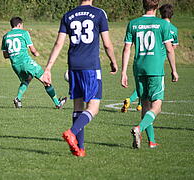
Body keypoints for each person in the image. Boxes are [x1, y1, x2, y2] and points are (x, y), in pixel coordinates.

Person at [42, 0, 118, 156]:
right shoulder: (99, 13)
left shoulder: (68, 15)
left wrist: (48, 67)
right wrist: (113, 61)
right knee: (94, 107)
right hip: (91, 66)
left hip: (73, 65)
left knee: (78, 106)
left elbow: (58, 43)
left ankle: (80, 149)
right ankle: (72, 132)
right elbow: (107, 44)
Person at [121, 0, 178, 149]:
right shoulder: (163, 24)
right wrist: (174, 70)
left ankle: (151, 141)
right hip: (155, 69)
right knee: (157, 106)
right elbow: (170, 49)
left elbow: (126, 49)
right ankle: (139, 129)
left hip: (138, 69)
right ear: (157, 7)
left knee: (145, 105)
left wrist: (123, 72)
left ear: (143, 5)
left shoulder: (133, 24)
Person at [1, 17, 67, 109]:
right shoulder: (24, 33)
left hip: (15, 65)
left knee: (27, 79)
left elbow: (5, 55)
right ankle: (57, 103)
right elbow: (33, 50)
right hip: (26, 62)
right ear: (19, 25)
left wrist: (15, 53)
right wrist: (36, 53)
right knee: (46, 80)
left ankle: (18, 99)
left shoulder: (5, 36)